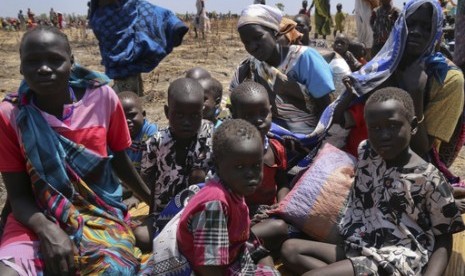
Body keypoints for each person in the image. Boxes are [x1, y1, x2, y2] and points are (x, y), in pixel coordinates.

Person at [0, 25, 151, 275]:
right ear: (20, 67)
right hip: (36, 216)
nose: (44, 68)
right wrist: (48, 230)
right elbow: (18, 195)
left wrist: (151, 199)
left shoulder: (102, 98)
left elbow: (119, 161)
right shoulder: (12, 115)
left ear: (71, 62)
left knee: (112, 269)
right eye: (33, 61)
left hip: (99, 213)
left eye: (55, 60)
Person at [281, 87, 465, 276]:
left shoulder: (428, 177)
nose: (384, 135)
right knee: (290, 250)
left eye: (393, 125)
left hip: (396, 258)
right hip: (361, 244)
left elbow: (444, 237)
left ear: (413, 126)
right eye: (375, 128)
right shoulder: (367, 151)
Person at [177, 119, 279, 275]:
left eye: (256, 165)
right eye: (239, 167)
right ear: (217, 165)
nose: (250, 174)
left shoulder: (234, 188)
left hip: (231, 256)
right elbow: (209, 267)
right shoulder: (214, 203)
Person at [135, 78, 214, 250]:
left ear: (202, 113)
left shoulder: (209, 135)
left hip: (200, 212)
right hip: (165, 213)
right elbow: (147, 177)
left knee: (198, 175)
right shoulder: (156, 142)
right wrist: (152, 212)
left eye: (194, 116)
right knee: (141, 237)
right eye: (179, 115)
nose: (187, 122)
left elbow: (203, 177)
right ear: (166, 112)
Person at [231, 4, 334, 135]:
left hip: (311, 135)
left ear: (275, 32)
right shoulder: (250, 66)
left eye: (258, 37)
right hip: (271, 134)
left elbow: (326, 108)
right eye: (246, 42)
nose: (252, 47)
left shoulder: (304, 59)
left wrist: (313, 139)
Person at [230, 82, 290, 253]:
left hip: (269, 214)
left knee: (281, 228)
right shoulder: (230, 153)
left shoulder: (276, 148)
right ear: (235, 116)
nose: (258, 120)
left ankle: (246, 249)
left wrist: (281, 206)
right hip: (240, 217)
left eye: (264, 113)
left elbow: (282, 181)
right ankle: (237, 246)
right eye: (248, 115)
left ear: (271, 110)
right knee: (278, 229)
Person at [89, 0, 188, 96]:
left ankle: (130, 102)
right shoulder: (107, 16)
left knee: (129, 92)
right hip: (112, 21)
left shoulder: (132, 9)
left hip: (120, 16)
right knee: (126, 94)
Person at [118, 91, 158, 208]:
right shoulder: (117, 132)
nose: (127, 121)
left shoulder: (150, 133)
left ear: (143, 114)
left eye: (132, 115)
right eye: (121, 117)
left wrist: (136, 196)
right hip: (128, 181)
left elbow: (150, 170)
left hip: (146, 181)